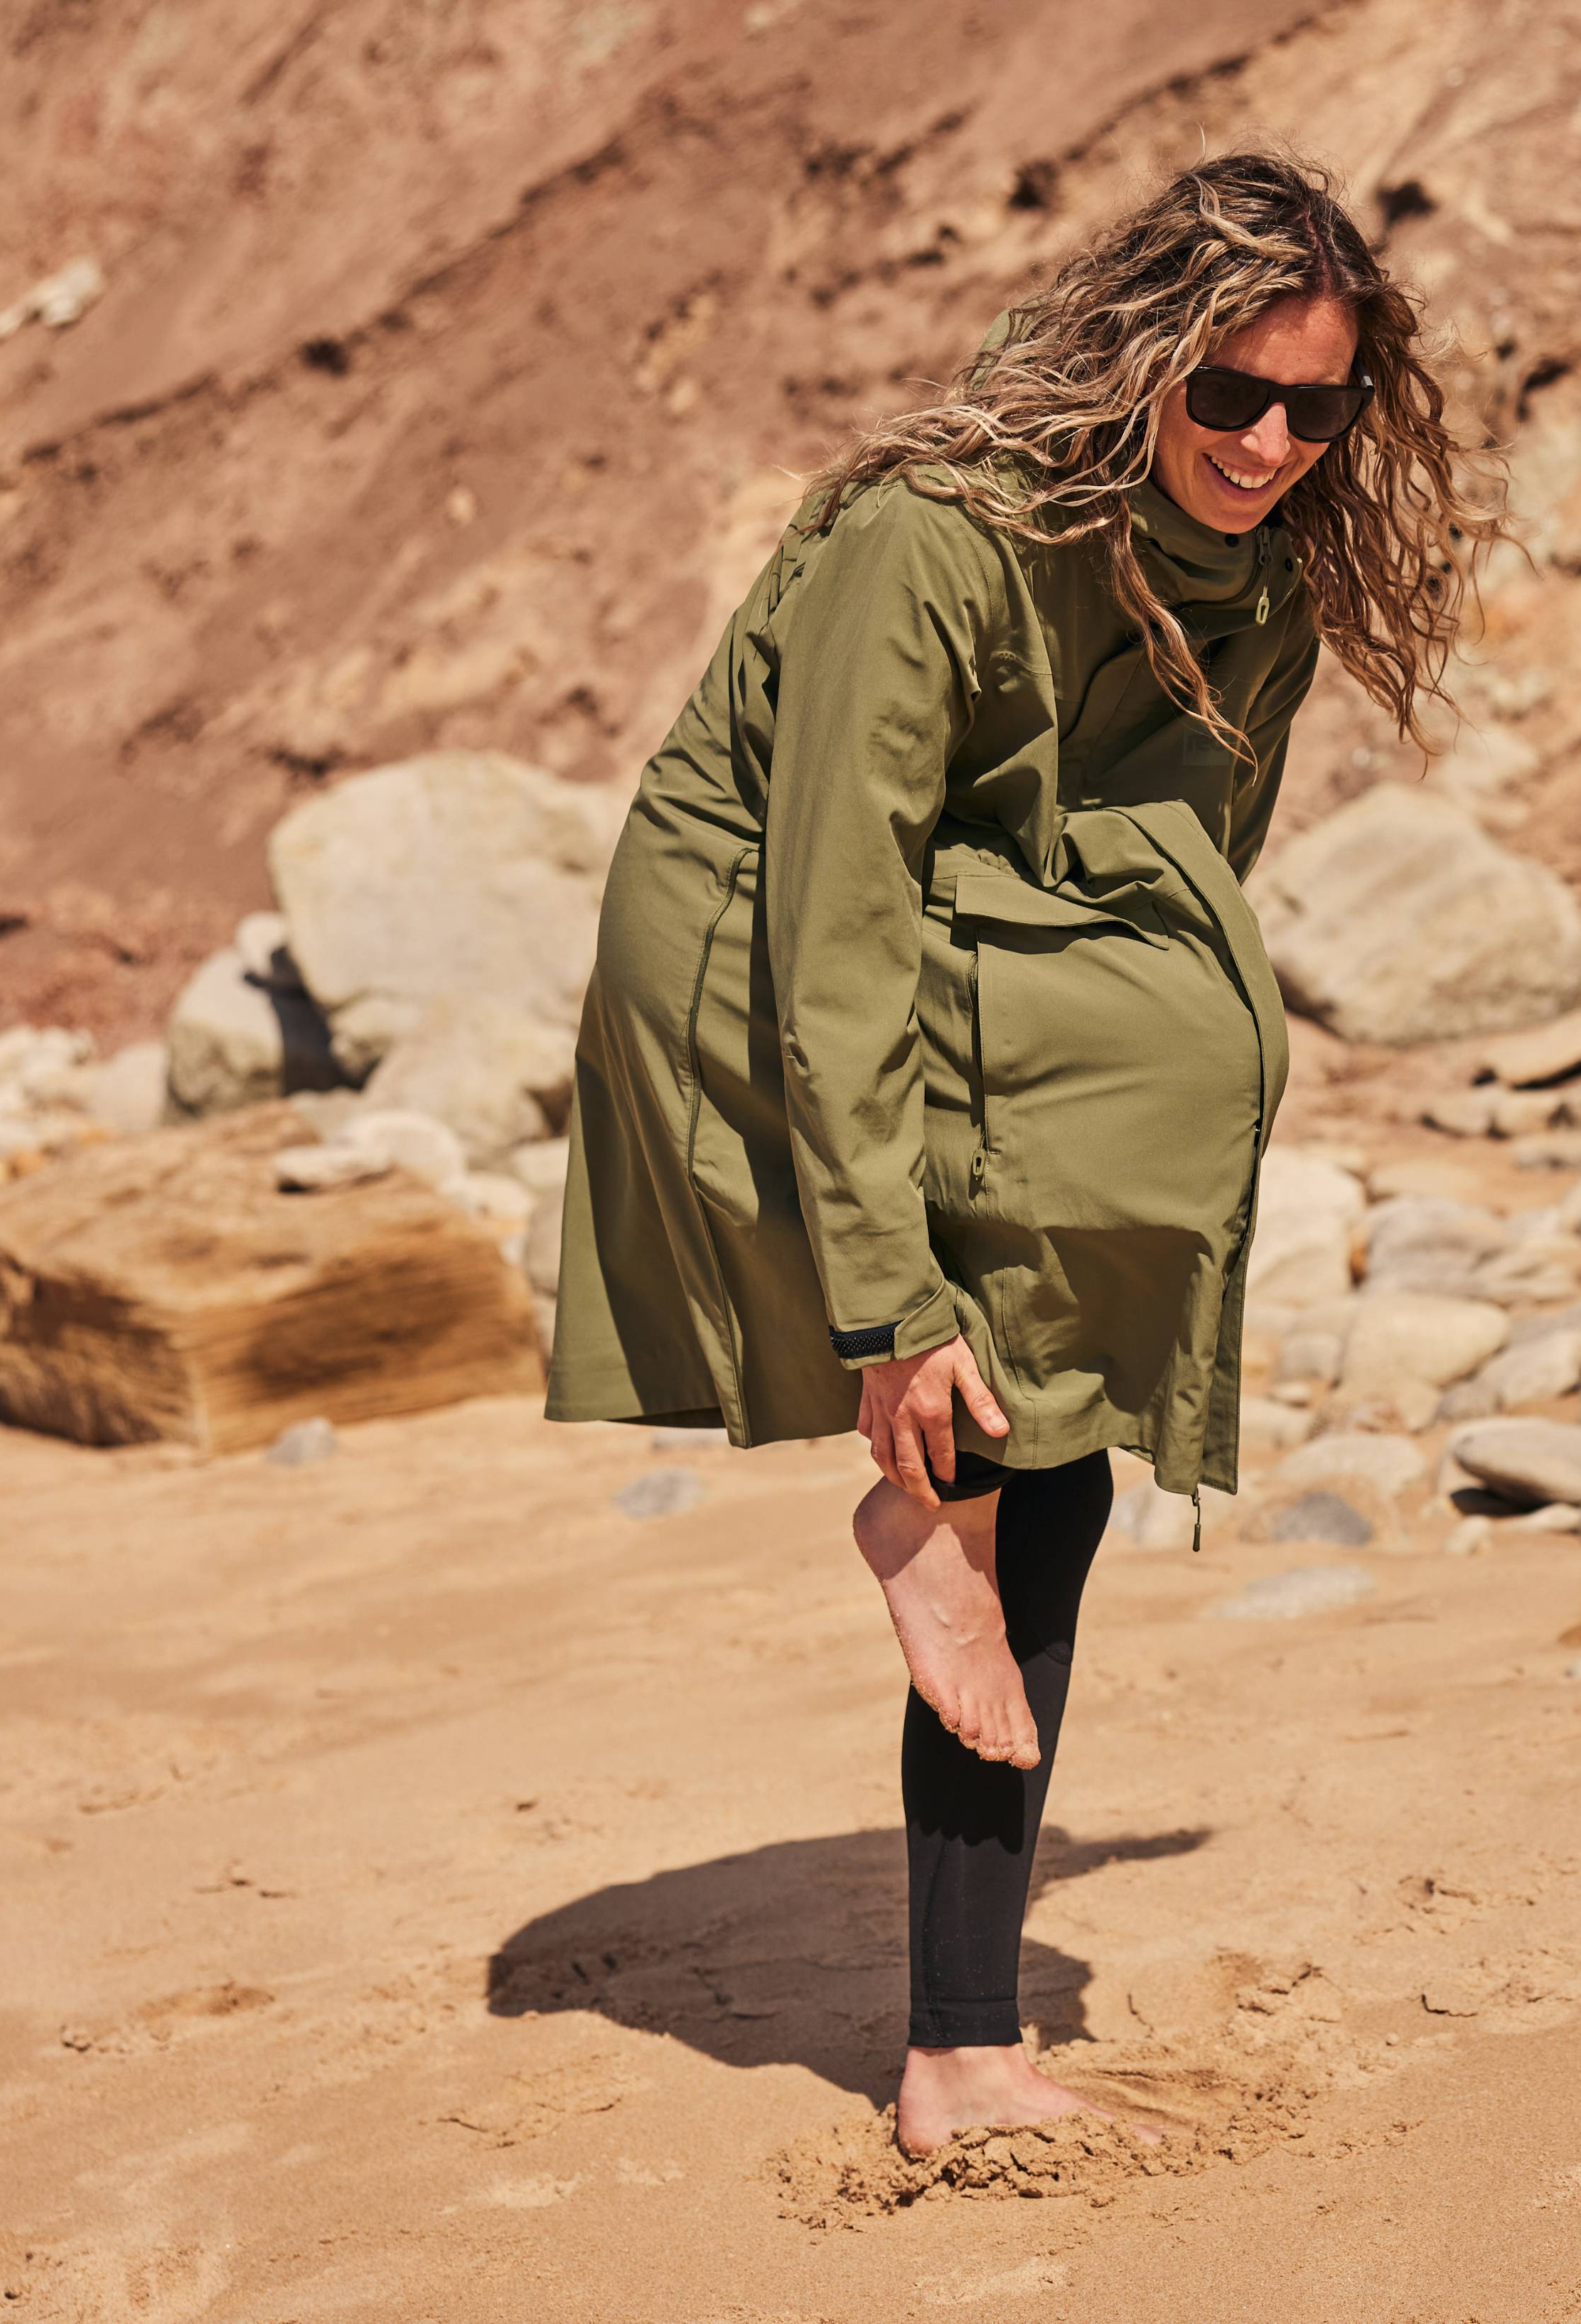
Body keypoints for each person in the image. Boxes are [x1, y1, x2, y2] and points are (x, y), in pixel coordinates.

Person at [545, 149, 1492, 2155]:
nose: (1266, 445)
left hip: (981, 914)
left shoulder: (1266, 581)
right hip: (748, 927)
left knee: (1058, 1376)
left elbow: (1190, 880)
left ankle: (960, 2038)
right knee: (984, 1390)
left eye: (1316, 410)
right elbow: (836, 912)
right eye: (1226, 393)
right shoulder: (935, 536)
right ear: (1143, 359)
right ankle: (936, 1540)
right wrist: (893, 1308)